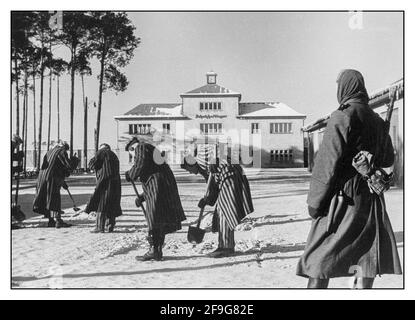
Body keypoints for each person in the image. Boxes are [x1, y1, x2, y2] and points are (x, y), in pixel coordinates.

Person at [296, 69, 402, 289]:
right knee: (365, 259)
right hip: (370, 201)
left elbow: (327, 165)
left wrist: (315, 203)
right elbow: (388, 158)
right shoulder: (375, 119)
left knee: (318, 259)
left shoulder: (342, 115)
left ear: (344, 88)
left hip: (342, 200)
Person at [182, 143, 254, 258]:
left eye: (189, 169)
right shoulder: (205, 170)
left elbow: (215, 147)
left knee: (224, 211)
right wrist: (207, 200)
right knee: (222, 211)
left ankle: (226, 247)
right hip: (228, 177)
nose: (191, 172)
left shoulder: (202, 159)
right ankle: (226, 245)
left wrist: (215, 159)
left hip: (230, 176)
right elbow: (213, 188)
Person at [125, 136, 186, 261]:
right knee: (159, 218)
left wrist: (130, 174)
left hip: (158, 185)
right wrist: (143, 197)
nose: (133, 157)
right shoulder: (150, 149)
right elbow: (151, 172)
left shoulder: (140, 147)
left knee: (154, 218)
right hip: (162, 186)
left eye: (131, 154)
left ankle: (154, 250)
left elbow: (140, 165)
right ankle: (157, 251)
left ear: (132, 147)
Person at [33, 141, 79, 228]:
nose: (66, 151)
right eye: (66, 149)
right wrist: (74, 160)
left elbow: (57, 167)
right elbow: (68, 165)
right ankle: (58, 220)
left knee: (47, 199)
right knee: (54, 198)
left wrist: (63, 182)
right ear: (64, 147)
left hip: (42, 178)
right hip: (52, 179)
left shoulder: (49, 152)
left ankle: (51, 221)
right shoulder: (61, 151)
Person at [85, 143, 122, 233]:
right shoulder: (114, 155)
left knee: (101, 203)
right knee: (112, 203)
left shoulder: (101, 152)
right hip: (116, 182)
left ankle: (99, 227)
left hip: (105, 181)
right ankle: (110, 226)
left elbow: (92, 165)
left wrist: (93, 161)